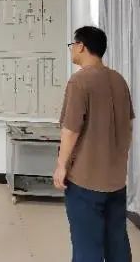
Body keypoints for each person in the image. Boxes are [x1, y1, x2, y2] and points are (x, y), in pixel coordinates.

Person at [53, 26, 135, 262]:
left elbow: (71, 129)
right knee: (117, 242)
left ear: (81, 46)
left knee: (86, 244)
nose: (72, 50)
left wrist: (61, 166)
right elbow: (129, 125)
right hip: (116, 179)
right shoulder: (119, 80)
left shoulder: (79, 81)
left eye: (73, 45)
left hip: (86, 180)